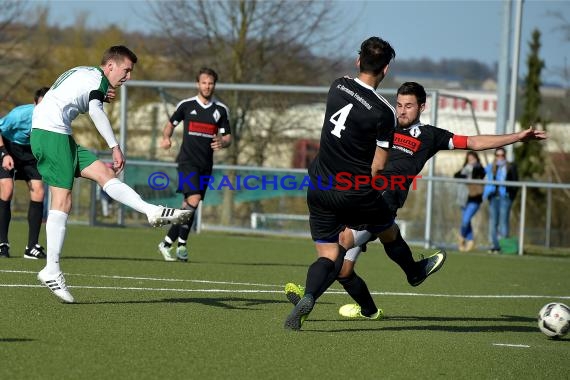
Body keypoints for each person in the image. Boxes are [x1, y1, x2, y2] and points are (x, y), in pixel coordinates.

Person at [285, 82, 546, 321]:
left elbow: (474, 142)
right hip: (356, 194)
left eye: (408, 106)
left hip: (383, 200)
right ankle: (375, 306)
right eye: (399, 105)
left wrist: (516, 137)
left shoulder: (429, 136)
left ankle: (309, 296)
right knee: (344, 270)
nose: (402, 111)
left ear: (422, 106)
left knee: (343, 243)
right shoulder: (383, 123)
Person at [31, 45, 194, 303]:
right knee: (62, 200)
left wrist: (94, 97)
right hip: (51, 135)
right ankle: (51, 269)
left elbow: (67, 93)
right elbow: (95, 111)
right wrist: (115, 146)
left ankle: (150, 210)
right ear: (110, 66)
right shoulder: (96, 80)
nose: (128, 77)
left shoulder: (88, 74)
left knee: (104, 175)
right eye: (126, 70)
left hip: (55, 133)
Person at [283, 36, 404, 331]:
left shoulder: (337, 85)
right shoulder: (384, 112)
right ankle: (414, 269)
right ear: (386, 69)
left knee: (328, 254)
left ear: (358, 60)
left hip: (320, 187)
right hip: (354, 191)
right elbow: (378, 165)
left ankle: (310, 295)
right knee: (387, 225)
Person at [156, 67, 231, 262]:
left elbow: (228, 136)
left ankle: (173, 244)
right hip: (187, 162)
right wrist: (166, 138)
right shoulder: (187, 105)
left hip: (206, 165)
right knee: (194, 200)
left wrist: (222, 142)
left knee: (188, 206)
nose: (207, 86)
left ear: (214, 85)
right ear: (198, 84)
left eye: (211, 83)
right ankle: (174, 243)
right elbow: (170, 124)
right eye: (204, 82)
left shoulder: (220, 110)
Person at [0, 87, 50, 259]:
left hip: (30, 153)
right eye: (41, 106)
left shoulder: (53, 118)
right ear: (34, 103)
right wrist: (4, 153)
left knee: (39, 191)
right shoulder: (19, 114)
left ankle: (32, 247)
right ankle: (2, 244)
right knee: (7, 189)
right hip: (8, 146)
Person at [483, 147, 519, 254]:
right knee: (493, 222)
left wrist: (511, 196)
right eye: (497, 155)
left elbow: (516, 182)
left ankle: (503, 246)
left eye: (502, 155)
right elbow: (479, 173)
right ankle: (494, 245)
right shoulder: (491, 167)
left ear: (505, 155)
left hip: (505, 197)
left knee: (504, 222)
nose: (500, 157)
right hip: (493, 197)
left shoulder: (511, 167)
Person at [454, 151, 486, 252]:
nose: (471, 160)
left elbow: (479, 174)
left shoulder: (479, 167)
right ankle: (470, 241)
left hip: (475, 198)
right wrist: (466, 175)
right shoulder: (465, 168)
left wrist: (474, 167)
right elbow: (456, 175)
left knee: (465, 220)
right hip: (463, 199)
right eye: (469, 158)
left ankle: (461, 237)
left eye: (473, 158)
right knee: (466, 222)